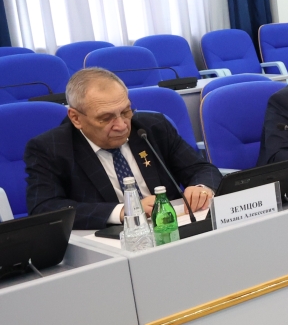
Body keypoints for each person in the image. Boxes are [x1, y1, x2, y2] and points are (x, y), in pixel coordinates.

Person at [24, 68, 220, 229]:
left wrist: (200, 188)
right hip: (109, 240)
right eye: (106, 118)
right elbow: (44, 208)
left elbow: (202, 169)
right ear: (76, 118)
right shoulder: (51, 148)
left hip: (173, 227)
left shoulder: (152, 127)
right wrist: (123, 211)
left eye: (126, 111)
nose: (122, 125)